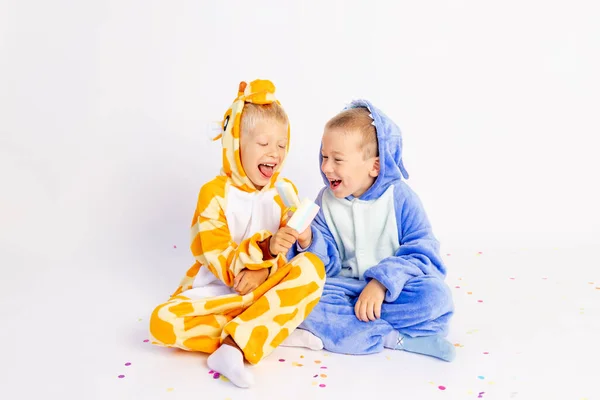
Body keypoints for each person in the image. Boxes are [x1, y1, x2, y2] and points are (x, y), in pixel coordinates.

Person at [149, 79, 325, 388]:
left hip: (265, 290)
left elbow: (295, 253)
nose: (276, 153)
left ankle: (236, 345)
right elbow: (216, 253)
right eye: (264, 143)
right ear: (236, 143)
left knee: (312, 268)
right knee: (162, 323)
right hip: (222, 292)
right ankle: (264, 333)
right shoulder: (214, 194)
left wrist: (303, 236)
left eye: (282, 145)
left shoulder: (286, 192)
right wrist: (261, 256)